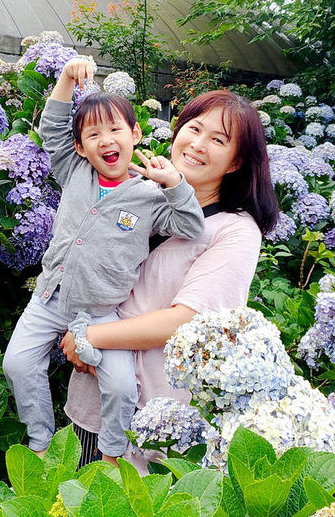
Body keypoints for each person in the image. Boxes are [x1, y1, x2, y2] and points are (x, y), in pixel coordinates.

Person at [61, 89, 280, 470]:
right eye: (194, 129)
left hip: (153, 421)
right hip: (93, 400)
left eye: (218, 139)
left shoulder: (235, 231)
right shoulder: (140, 195)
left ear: (236, 162)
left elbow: (189, 319)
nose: (197, 144)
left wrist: (87, 336)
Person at [2, 58, 206, 464]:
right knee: (17, 364)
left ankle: (112, 454)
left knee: (120, 388)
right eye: (92, 134)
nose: (105, 140)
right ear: (80, 147)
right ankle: (41, 441)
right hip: (49, 298)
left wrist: (175, 184)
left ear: (135, 134)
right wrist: (65, 78)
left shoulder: (149, 197)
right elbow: (52, 131)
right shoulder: (74, 170)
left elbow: (191, 225)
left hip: (101, 313)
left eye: (115, 130)